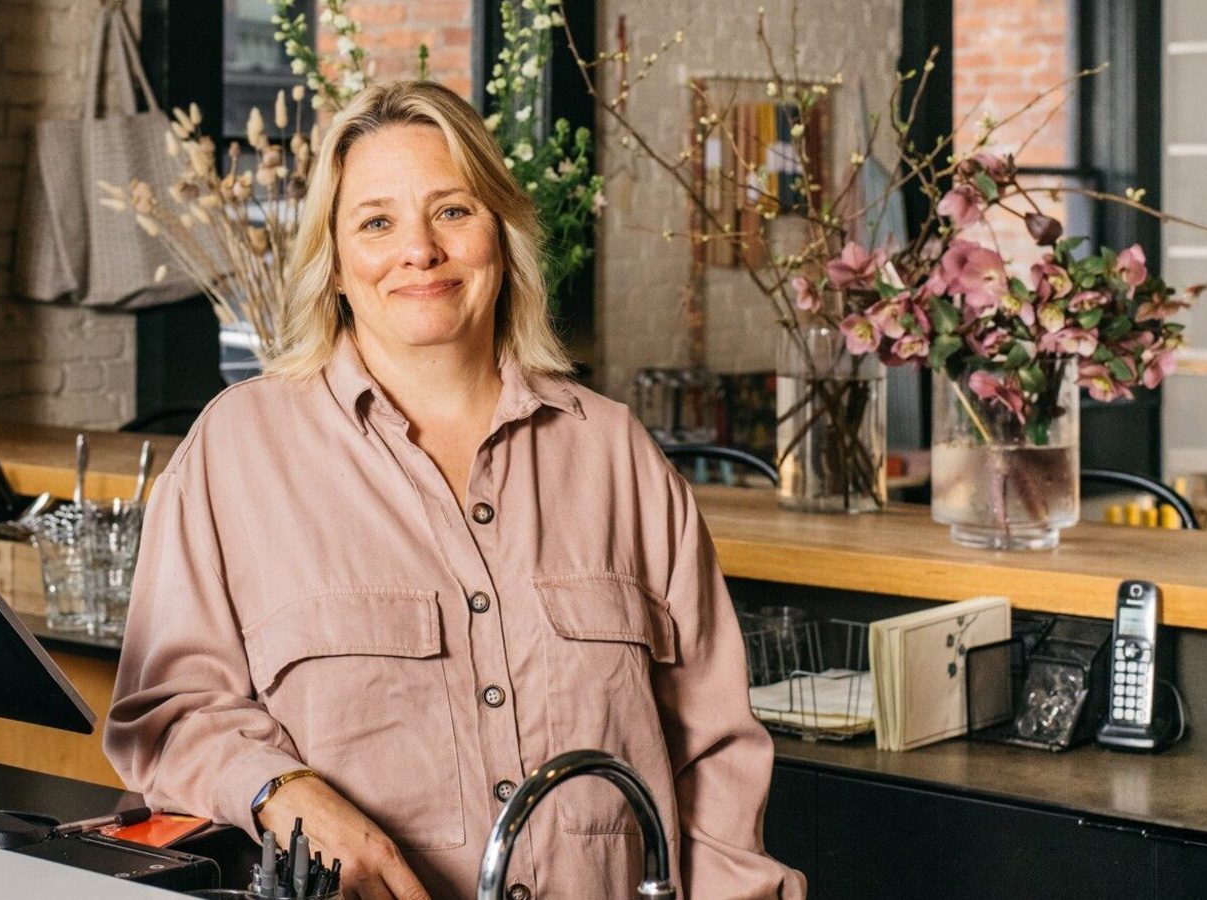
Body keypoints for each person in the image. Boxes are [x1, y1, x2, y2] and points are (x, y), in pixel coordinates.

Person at [105, 79, 804, 900]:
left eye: (453, 211)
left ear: (501, 237)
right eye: (376, 222)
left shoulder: (616, 455)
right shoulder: (236, 454)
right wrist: (284, 793)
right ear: (332, 261)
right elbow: (168, 717)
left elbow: (715, 759)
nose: (420, 252)